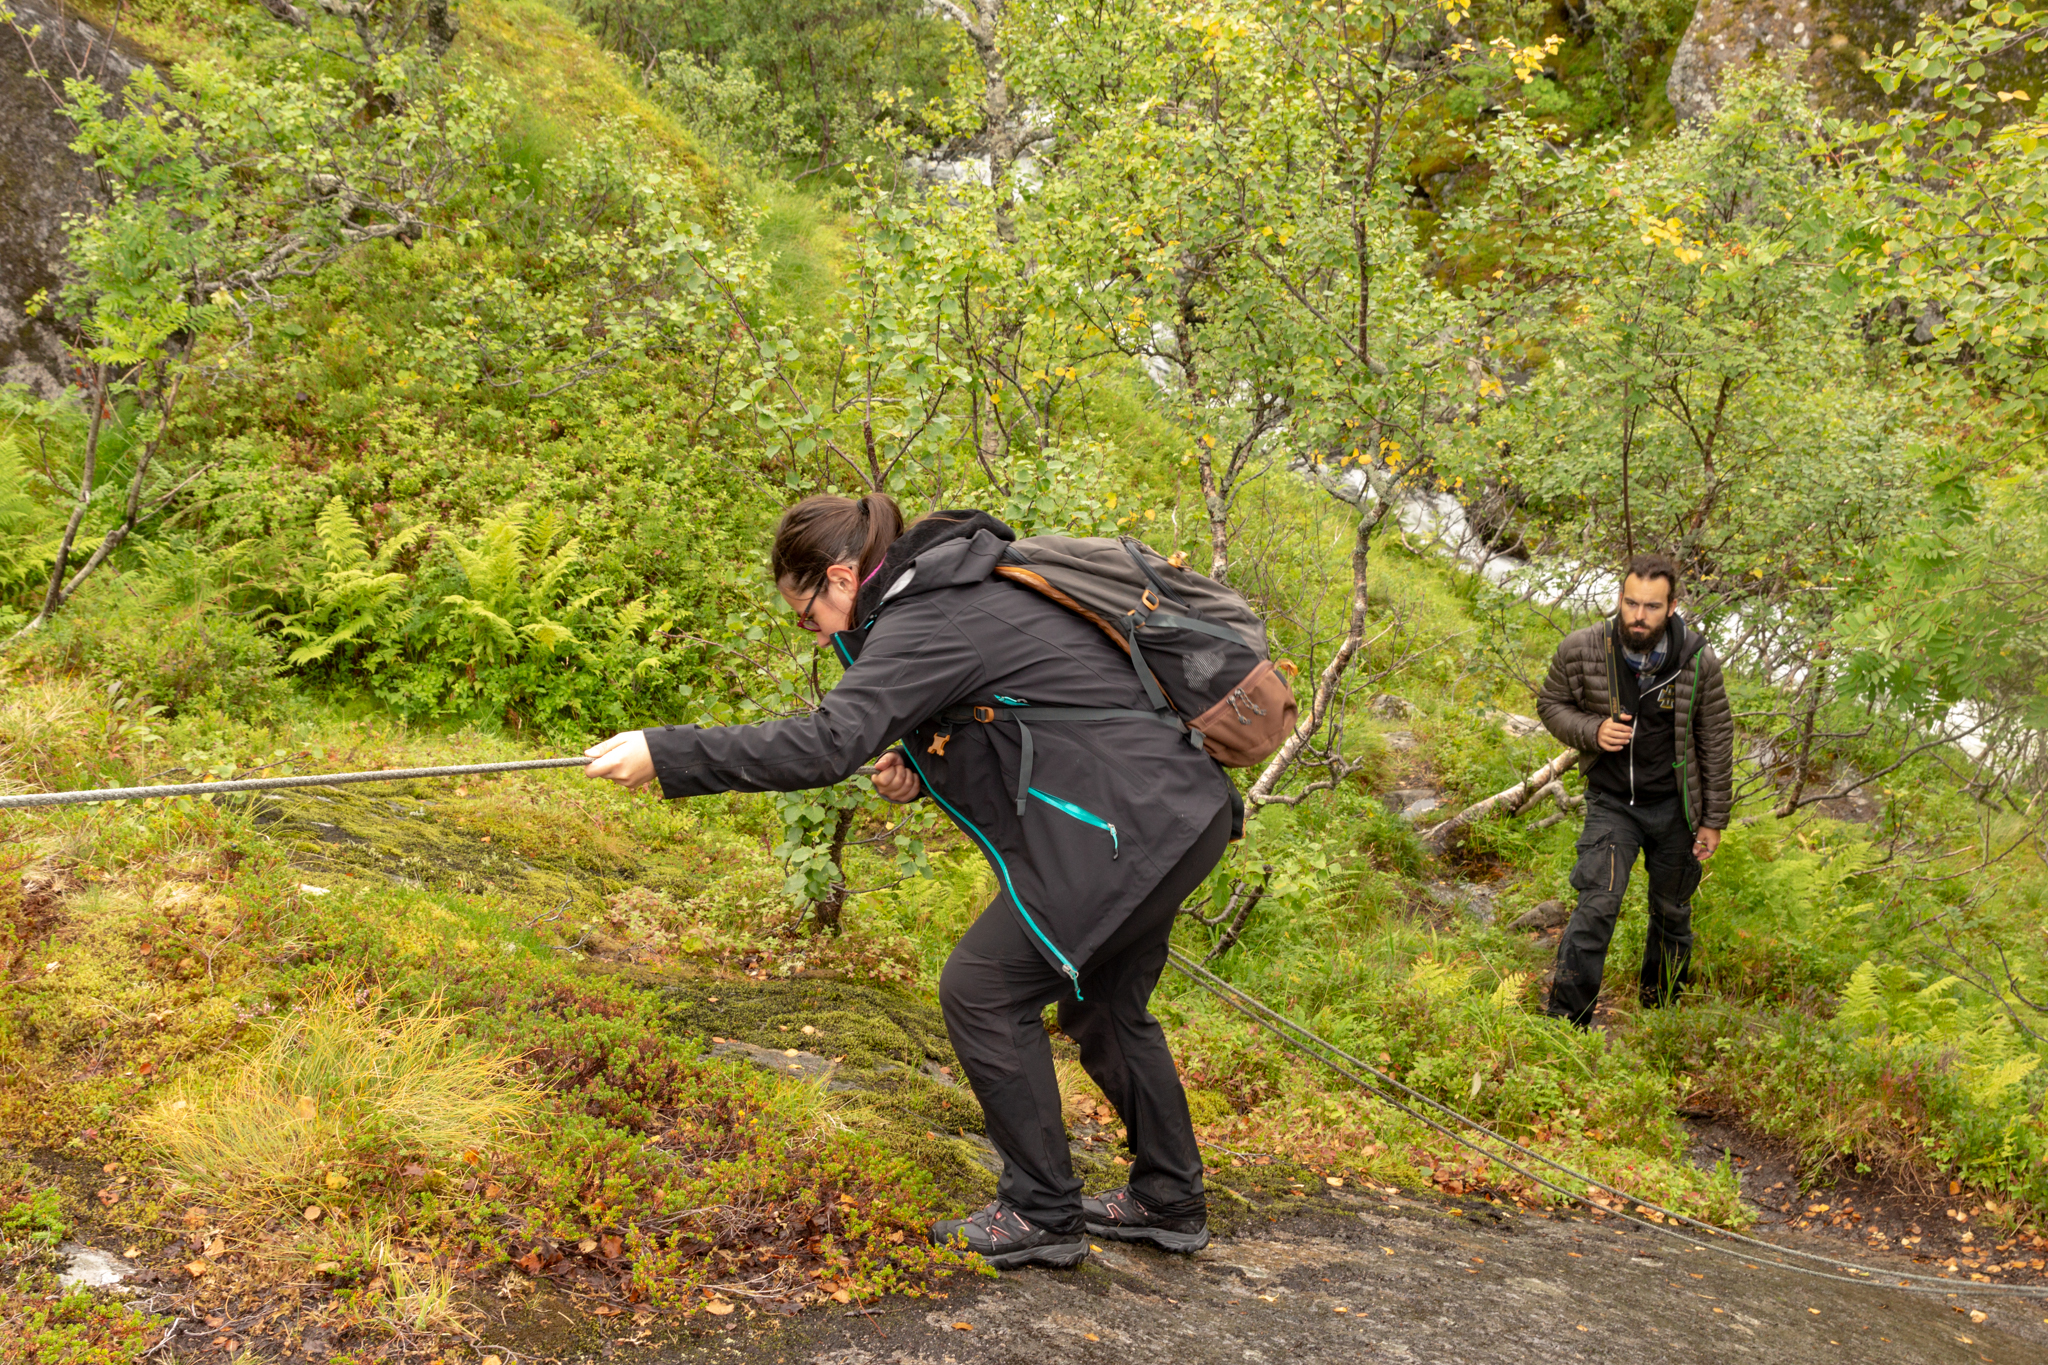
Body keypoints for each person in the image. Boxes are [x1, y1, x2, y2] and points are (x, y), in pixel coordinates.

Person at [582, 495, 1237, 1269]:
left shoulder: (928, 615)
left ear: (839, 576)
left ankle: (1042, 1211)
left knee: (983, 989)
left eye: (806, 615)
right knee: (1105, 1005)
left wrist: (669, 752)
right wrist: (924, 770)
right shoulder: (951, 587)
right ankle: (1168, 1198)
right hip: (1172, 812)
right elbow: (1038, 707)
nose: (815, 632)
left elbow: (827, 744)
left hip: (1127, 828)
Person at [1535, 553, 1734, 1027]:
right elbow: (1551, 703)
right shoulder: (1583, 648)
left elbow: (1716, 740)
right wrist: (1591, 730)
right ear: (1619, 599)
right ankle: (1565, 1021)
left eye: (1651, 606)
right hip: (1611, 804)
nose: (1638, 616)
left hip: (1676, 809)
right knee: (1597, 905)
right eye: (1630, 603)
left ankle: (1658, 1016)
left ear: (1672, 606)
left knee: (1672, 913)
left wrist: (1713, 821)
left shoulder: (1697, 660)